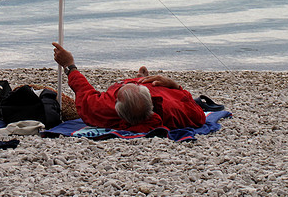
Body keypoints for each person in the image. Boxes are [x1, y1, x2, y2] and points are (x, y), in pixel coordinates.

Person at [52, 42, 205, 132]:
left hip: (143, 92)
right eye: (134, 85)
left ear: (117, 107)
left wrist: (69, 65)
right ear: (151, 100)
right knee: (150, 83)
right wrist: (175, 86)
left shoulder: (103, 108)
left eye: (119, 92)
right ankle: (141, 79)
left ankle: (138, 81)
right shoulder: (173, 109)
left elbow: (84, 91)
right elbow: (198, 114)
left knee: (134, 86)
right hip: (155, 89)